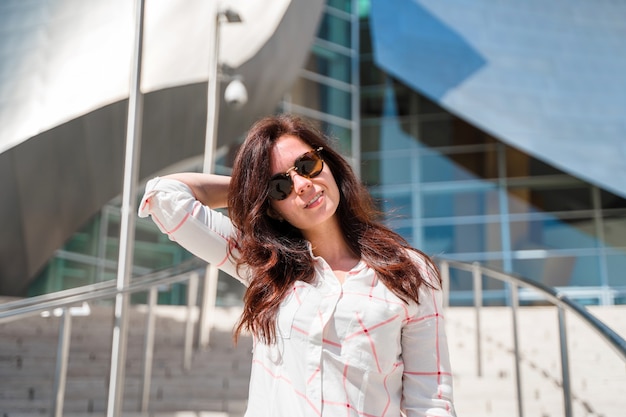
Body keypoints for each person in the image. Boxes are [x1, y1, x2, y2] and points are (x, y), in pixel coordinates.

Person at [138, 114, 456, 417]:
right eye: (280, 186)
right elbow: (165, 197)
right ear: (273, 207)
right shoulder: (265, 265)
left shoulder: (408, 272)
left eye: (307, 165)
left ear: (327, 162)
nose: (302, 185)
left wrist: (271, 185)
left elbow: (430, 402)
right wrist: (251, 189)